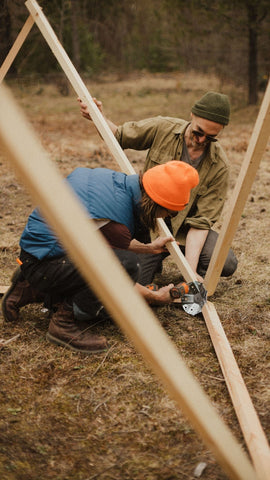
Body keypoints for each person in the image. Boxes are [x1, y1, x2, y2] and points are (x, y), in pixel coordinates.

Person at [2, 161, 199, 354]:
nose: (165, 218)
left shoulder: (117, 185)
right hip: (44, 263)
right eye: (170, 213)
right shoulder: (117, 222)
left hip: (36, 253)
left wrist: (148, 249)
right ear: (156, 202)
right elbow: (114, 271)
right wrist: (154, 296)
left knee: (118, 263)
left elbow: (105, 236)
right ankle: (64, 323)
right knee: (127, 267)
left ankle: (29, 288)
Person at [78, 91, 238, 285]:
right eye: (198, 132)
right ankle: (153, 260)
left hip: (184, 230)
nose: (202, 140)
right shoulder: (164, 128)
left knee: (226, 262)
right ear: (192, 116)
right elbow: (119, 136)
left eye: (211, 137)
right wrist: (98, 116)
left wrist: (190, 271)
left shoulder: (219, 166)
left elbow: (200, 223)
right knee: (132, 278)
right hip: (149, 222)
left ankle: (193, 280)